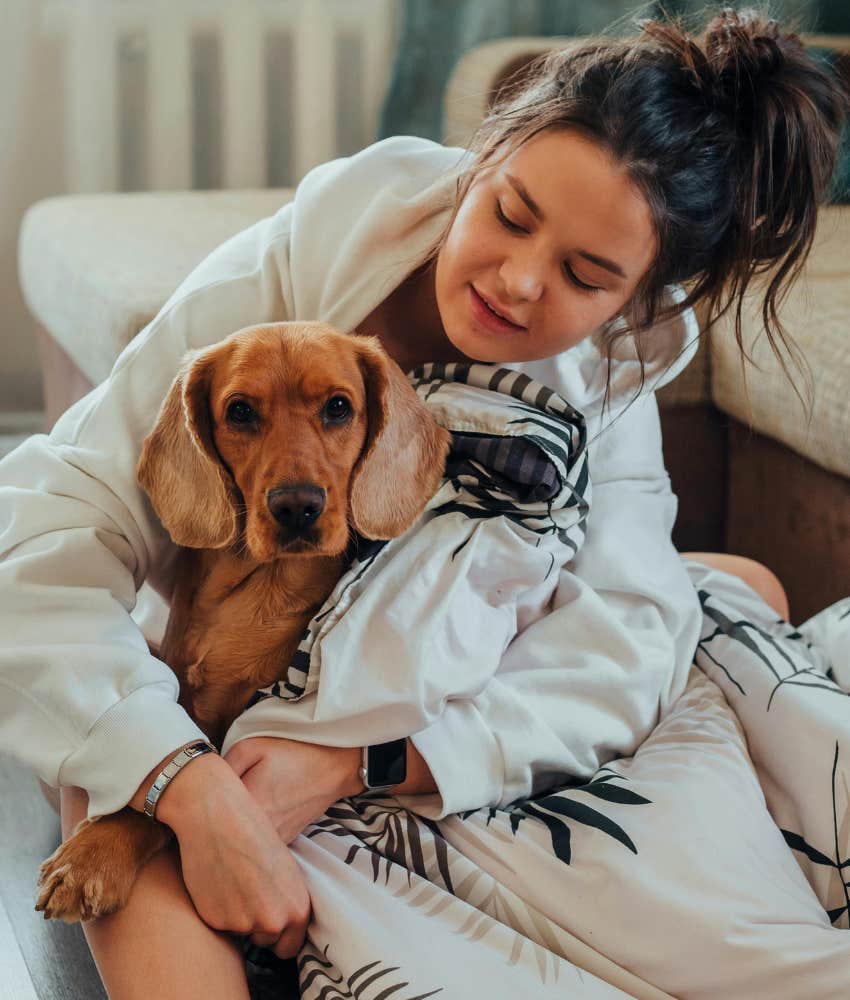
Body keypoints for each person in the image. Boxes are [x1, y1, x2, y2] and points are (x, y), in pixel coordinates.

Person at [1, 8, 848, 998]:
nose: (518, 281)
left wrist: (367, 761)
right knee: (112, 759)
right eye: (509, 213)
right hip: (242, 664)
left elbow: (629, 631)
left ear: (635, 306)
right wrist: (183, 787)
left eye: (585, 276)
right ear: (481, 156)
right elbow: (50, 525)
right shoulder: (297, 270)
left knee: (732, 583)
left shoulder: (606, 384)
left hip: (413, 711)